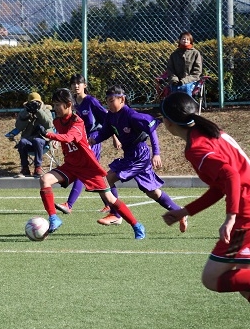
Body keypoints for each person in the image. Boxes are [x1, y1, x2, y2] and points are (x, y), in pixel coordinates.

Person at [160, 92, 250, 303]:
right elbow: (221, 186)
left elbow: (231, 175)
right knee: (243, 280)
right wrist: (185, 211)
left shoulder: (198, 148)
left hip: (245, 215)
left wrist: (231, 218)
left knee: (212, 278)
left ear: (168, 122)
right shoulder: (210, 132)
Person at [39, 88, 145, 240]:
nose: (55, 108)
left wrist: (49, 134)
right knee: (44, 180)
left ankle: (136, 225)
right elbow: (56, 133)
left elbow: (69, 137)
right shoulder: (57, 121)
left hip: (88, 167)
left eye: (57, 105)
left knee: (109, 199)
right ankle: (54, 219)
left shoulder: (77, 122)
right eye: (53, 105)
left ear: (68, 104)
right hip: (70, 166)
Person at [89, 85, 187, 232]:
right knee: (152, 192)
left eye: (111, 101)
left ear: (122, 99)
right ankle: (179, 212)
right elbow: (104, 133)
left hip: (139, 156)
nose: (108, 104)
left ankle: (116, 214)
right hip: (131, 156)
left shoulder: (131, 115)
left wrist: (157, 153)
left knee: (106, 179)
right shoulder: (111, 116)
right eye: (107, 101)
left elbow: (151, 128)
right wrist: (91, 140)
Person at [54, 74, 116, 214]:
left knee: (83, 170)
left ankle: (69, 205)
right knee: (95, 173)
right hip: (79, 141)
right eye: (73, 83)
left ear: (85, 85)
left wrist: (114, 137)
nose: (76, 86)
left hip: (92, 139)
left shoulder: (91, 101)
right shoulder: (72, 103)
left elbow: (107, 119)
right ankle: (111, 203)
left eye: (79, 83)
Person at [6, 92, 54, 177]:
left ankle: (38, 168)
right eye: (32, 103)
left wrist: (39, 111)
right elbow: (18, 126)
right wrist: (26, 114)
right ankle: (25, 168)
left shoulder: (46, 110)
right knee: (22, 142)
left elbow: (49, 124)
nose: (34, 104)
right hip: (28, 139)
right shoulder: (24, 112)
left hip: (43, 140)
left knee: (37, 141)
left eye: (37, 102)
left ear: (40, 102)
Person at [166, 31, 203, 97]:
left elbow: (197, 71)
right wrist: (174, 79)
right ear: (179, 40)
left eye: (187, 39)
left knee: (184, 87)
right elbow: (170, 69)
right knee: (175, 88)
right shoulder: (174, 54)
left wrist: (185, 80)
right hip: (176, 81)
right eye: (183, 39)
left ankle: (188, 106)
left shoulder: (195, 53)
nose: (185, 40)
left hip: (191, 80)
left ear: (190, 41)